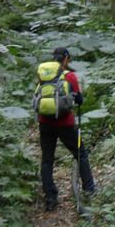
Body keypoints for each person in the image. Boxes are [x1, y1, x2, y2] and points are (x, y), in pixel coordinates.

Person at [34, 47, 95, 211]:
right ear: (66, 58)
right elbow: (79, 99)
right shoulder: (69, 76)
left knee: (47, 159)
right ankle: (89, 189)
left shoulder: (43, 76)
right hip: (65, 123)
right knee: (81, 153)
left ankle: (51, 198)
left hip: (45, 123)